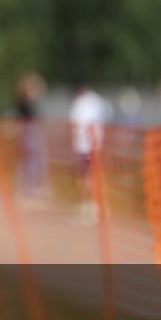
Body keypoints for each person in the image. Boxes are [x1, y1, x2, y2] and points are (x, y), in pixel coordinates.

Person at [69, 83, 109, 225]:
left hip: (83, 145)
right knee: (94, 175)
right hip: (96, 144)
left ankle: (89, 205)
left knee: (84, 177)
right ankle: (96, 205)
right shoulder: (98, 101)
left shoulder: (79, 103)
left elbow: (74, 124)